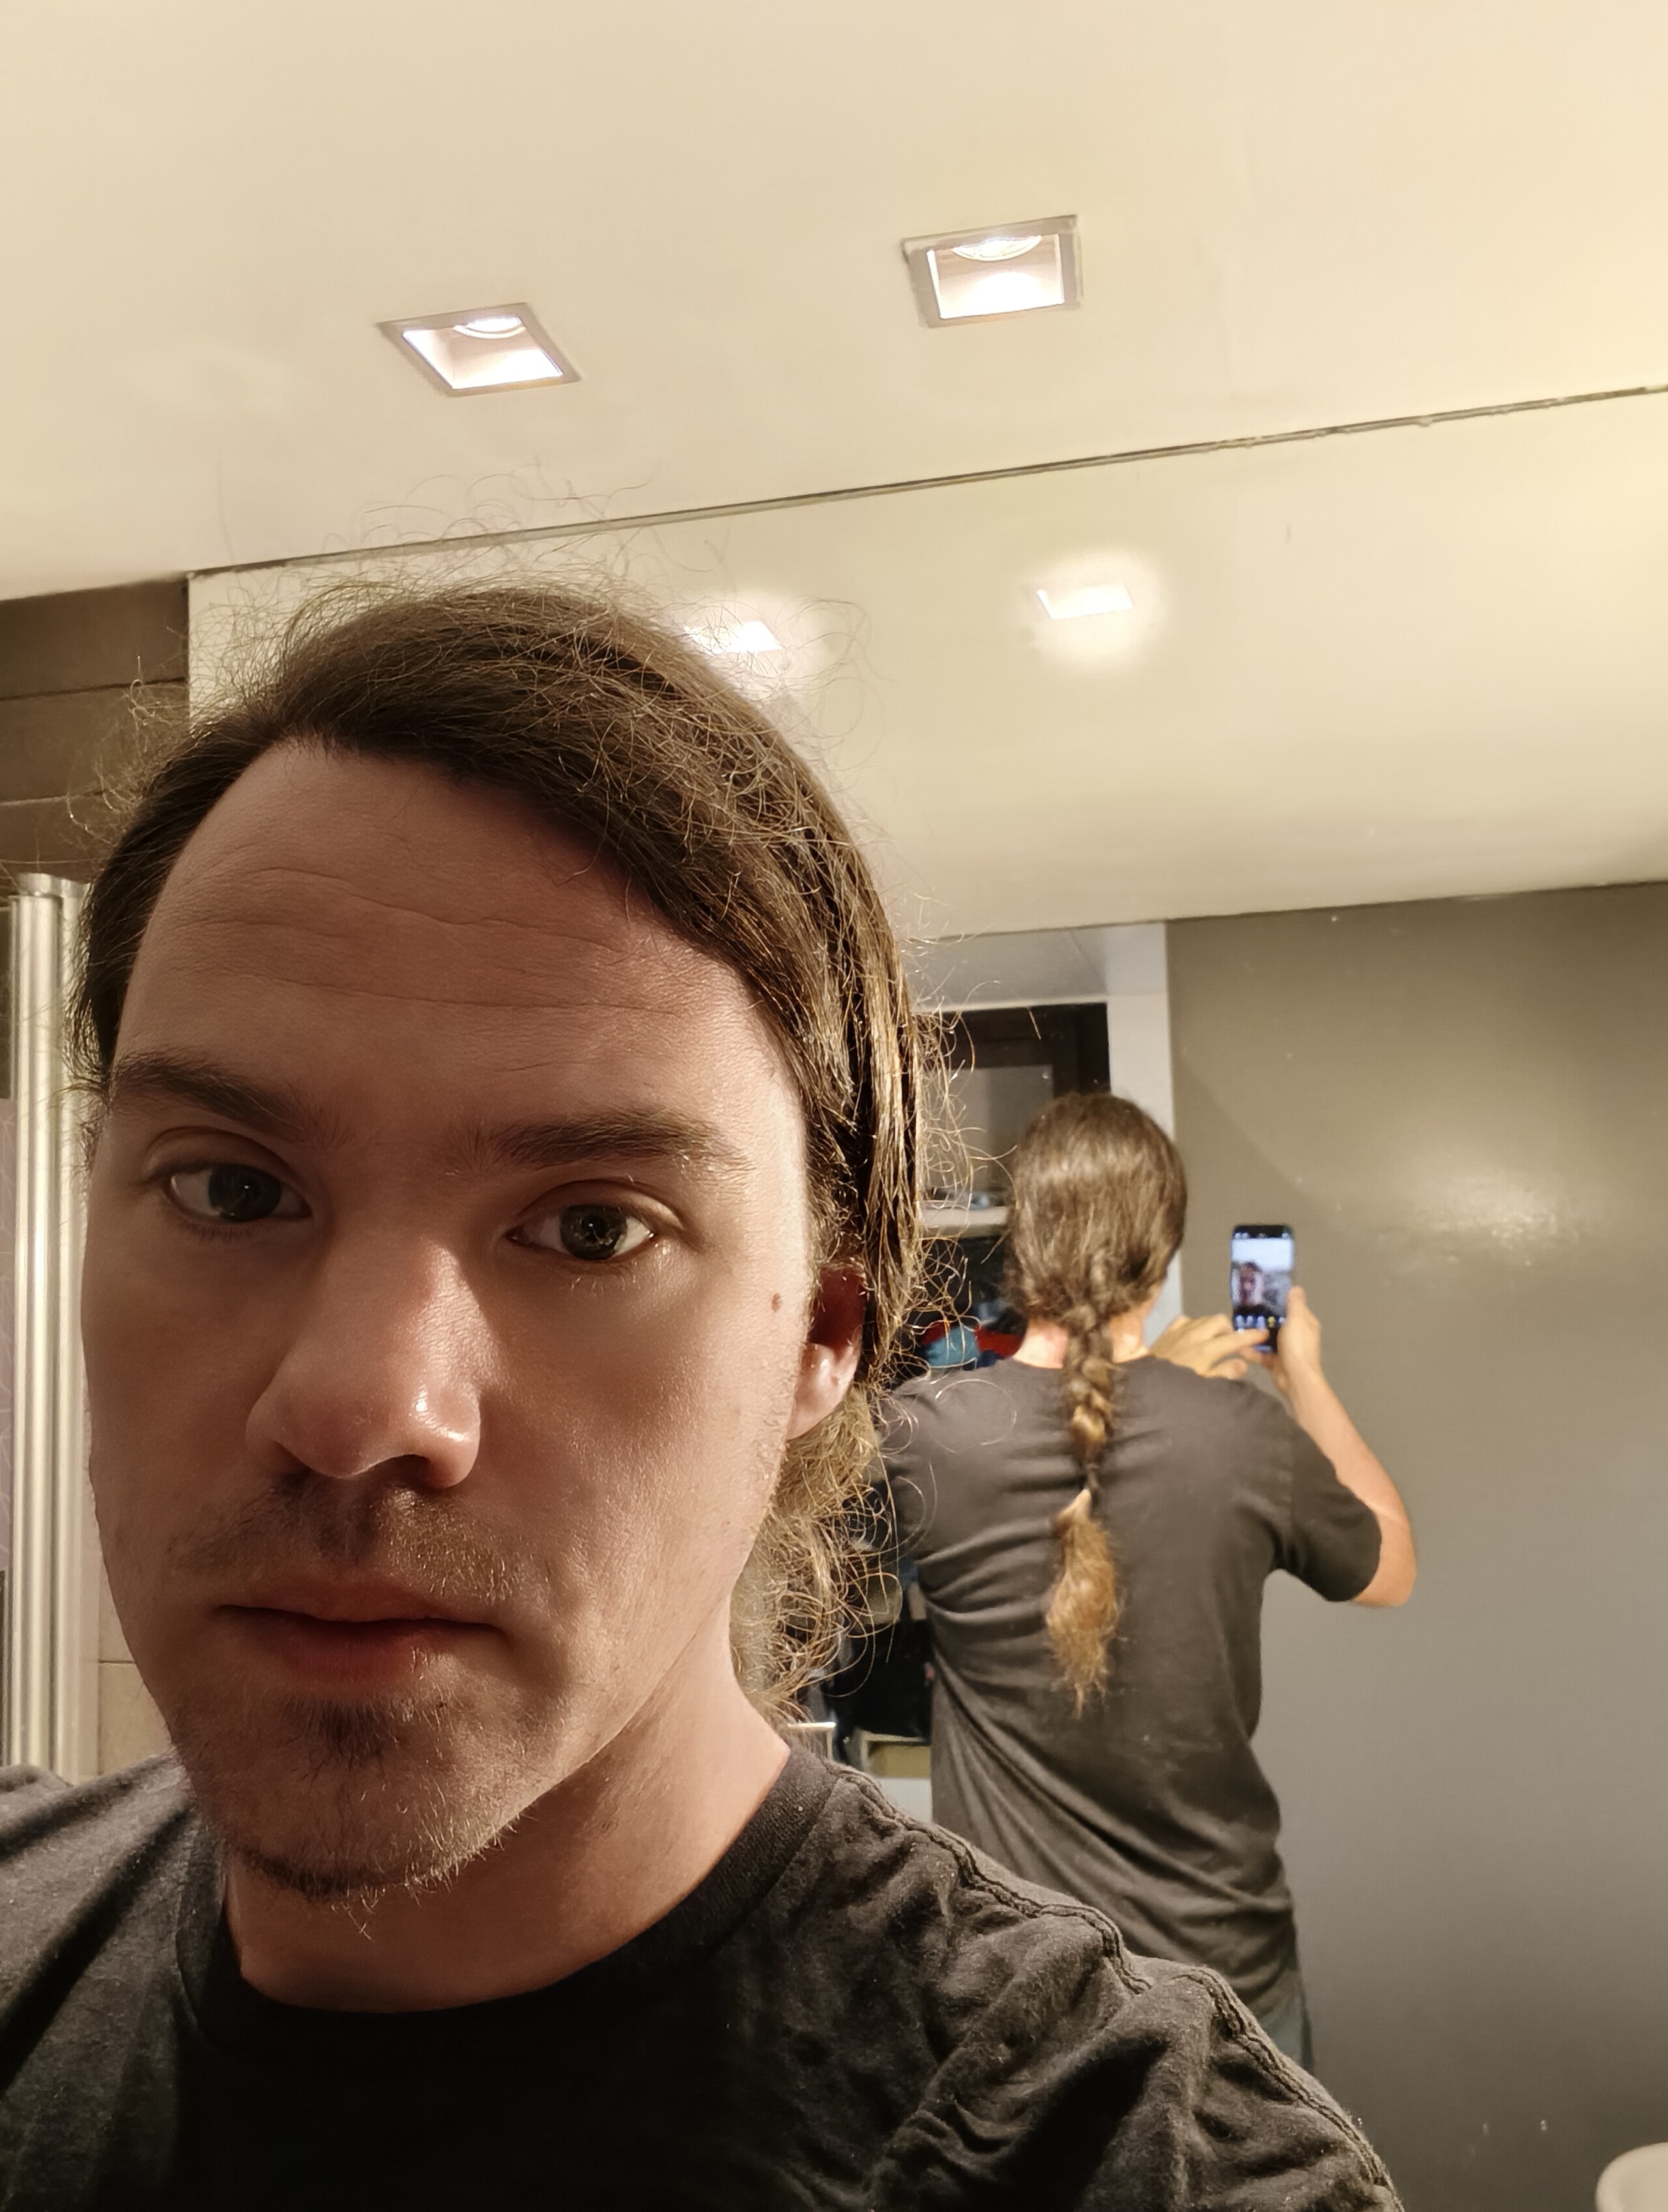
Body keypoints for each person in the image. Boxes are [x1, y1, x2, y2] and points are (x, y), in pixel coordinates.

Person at [0, 587, 1400, 2208]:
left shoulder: (1124, 2161)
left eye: (594, 1228)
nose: (363, 1406)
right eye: (231, 1189)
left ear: (821, 1336)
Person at [885, 1092, 1416, 2071]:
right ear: (1163, 1253)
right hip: (1221, 1982)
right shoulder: (1240, 1435)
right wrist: (1299, 1375)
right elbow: (1390, 1566)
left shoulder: (930, 1435)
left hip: (1012, 1983)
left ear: (1022, 1239)